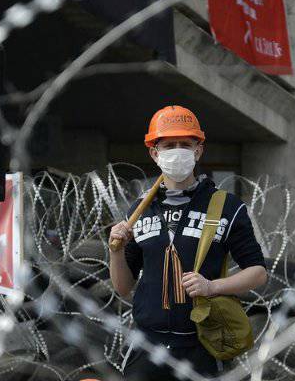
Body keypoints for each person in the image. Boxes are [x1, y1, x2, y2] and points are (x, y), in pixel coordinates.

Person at [109, 105, 267, 380]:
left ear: (199, 150)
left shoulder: (226, 206)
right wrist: (117, 251)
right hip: (147, 347)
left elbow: (258, 272)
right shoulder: (139, 209)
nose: (178, 150)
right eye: (169, 144)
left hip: (202, 344)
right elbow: (123, 287)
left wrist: (212, 286)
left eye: (185, 143)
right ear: (154, 152)